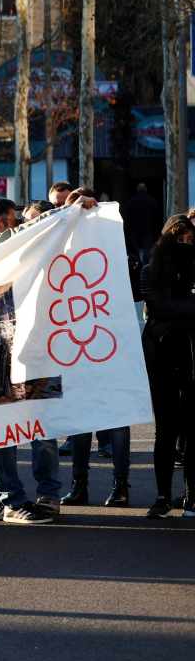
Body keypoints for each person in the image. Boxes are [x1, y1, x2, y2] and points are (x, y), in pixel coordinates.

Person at [0, 196, 89, 525]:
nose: (19, 226)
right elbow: (32, 234)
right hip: (14, 354)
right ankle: (24, 498)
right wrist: (67, 210)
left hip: (7, 351)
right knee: (26, 427)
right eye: (15, 221)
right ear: (2, 224)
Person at [138, 215, 195, 519]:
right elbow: (159, 307)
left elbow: (167, 309)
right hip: (163, 358)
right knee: (166, 432)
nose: (185, 244)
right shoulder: (151, 271)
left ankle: (191, 495)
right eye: (179, 238)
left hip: (189, 356)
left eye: (190, 239)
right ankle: (163, 495)